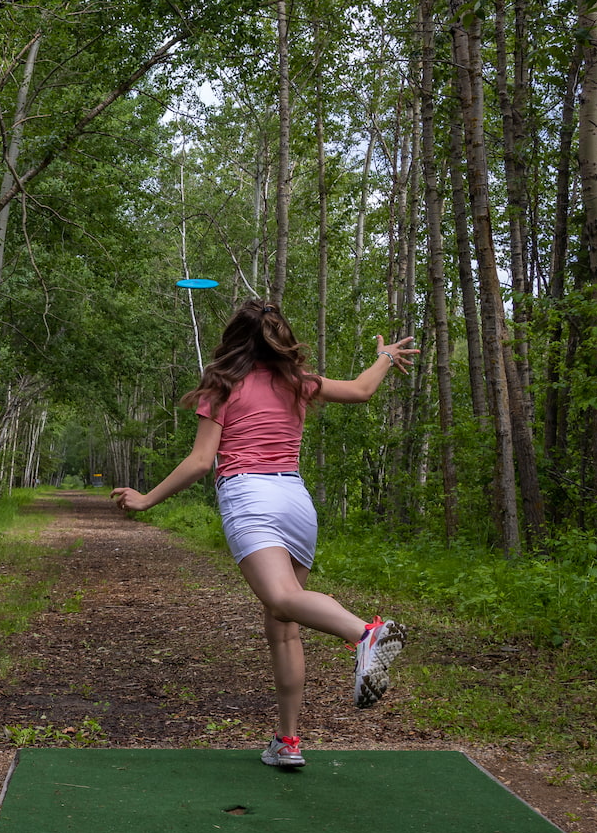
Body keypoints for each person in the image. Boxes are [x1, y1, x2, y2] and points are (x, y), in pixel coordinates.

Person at [111, 299, 418, 768]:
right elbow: (360, 391)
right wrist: (384, 357)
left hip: (250, 496)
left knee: (279, 600)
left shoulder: (221, 385)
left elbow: (200, 462)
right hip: (296, 501)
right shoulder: (296, 383)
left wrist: (147, 499)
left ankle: (365, 634)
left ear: (234, 338)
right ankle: (288, 742)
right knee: (282, 628)